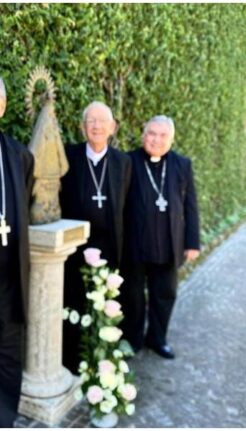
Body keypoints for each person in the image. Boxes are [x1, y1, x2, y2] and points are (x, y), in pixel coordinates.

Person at [120, 115, 200, 359]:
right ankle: (132, 340)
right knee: (132, 296)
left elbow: (190, 205)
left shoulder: (181, 164)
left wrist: (192, 242)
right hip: (135, 244)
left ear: (171, 139)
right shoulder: (128, 161)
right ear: (143, 135)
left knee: (164, 295)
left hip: (168, 244)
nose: (156, 139)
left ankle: (157, 338)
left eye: (162, 135)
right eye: (151, 134)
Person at [60, 101, 131, 373]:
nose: (97, 126)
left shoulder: (123, 162)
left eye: (102, 121)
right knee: (75, 302)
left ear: (112, 127)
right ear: (83, 127)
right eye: (91, 121)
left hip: (110, 247)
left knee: (106, 304)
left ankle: (101, 358)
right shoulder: (70, 156)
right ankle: (72, 359)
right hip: (76, 247)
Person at [0, 78, 34, 427]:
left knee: (9, 348)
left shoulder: (19, 154)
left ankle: (6, 414)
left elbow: (24, 198)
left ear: (4, 106)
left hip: (10, 272)